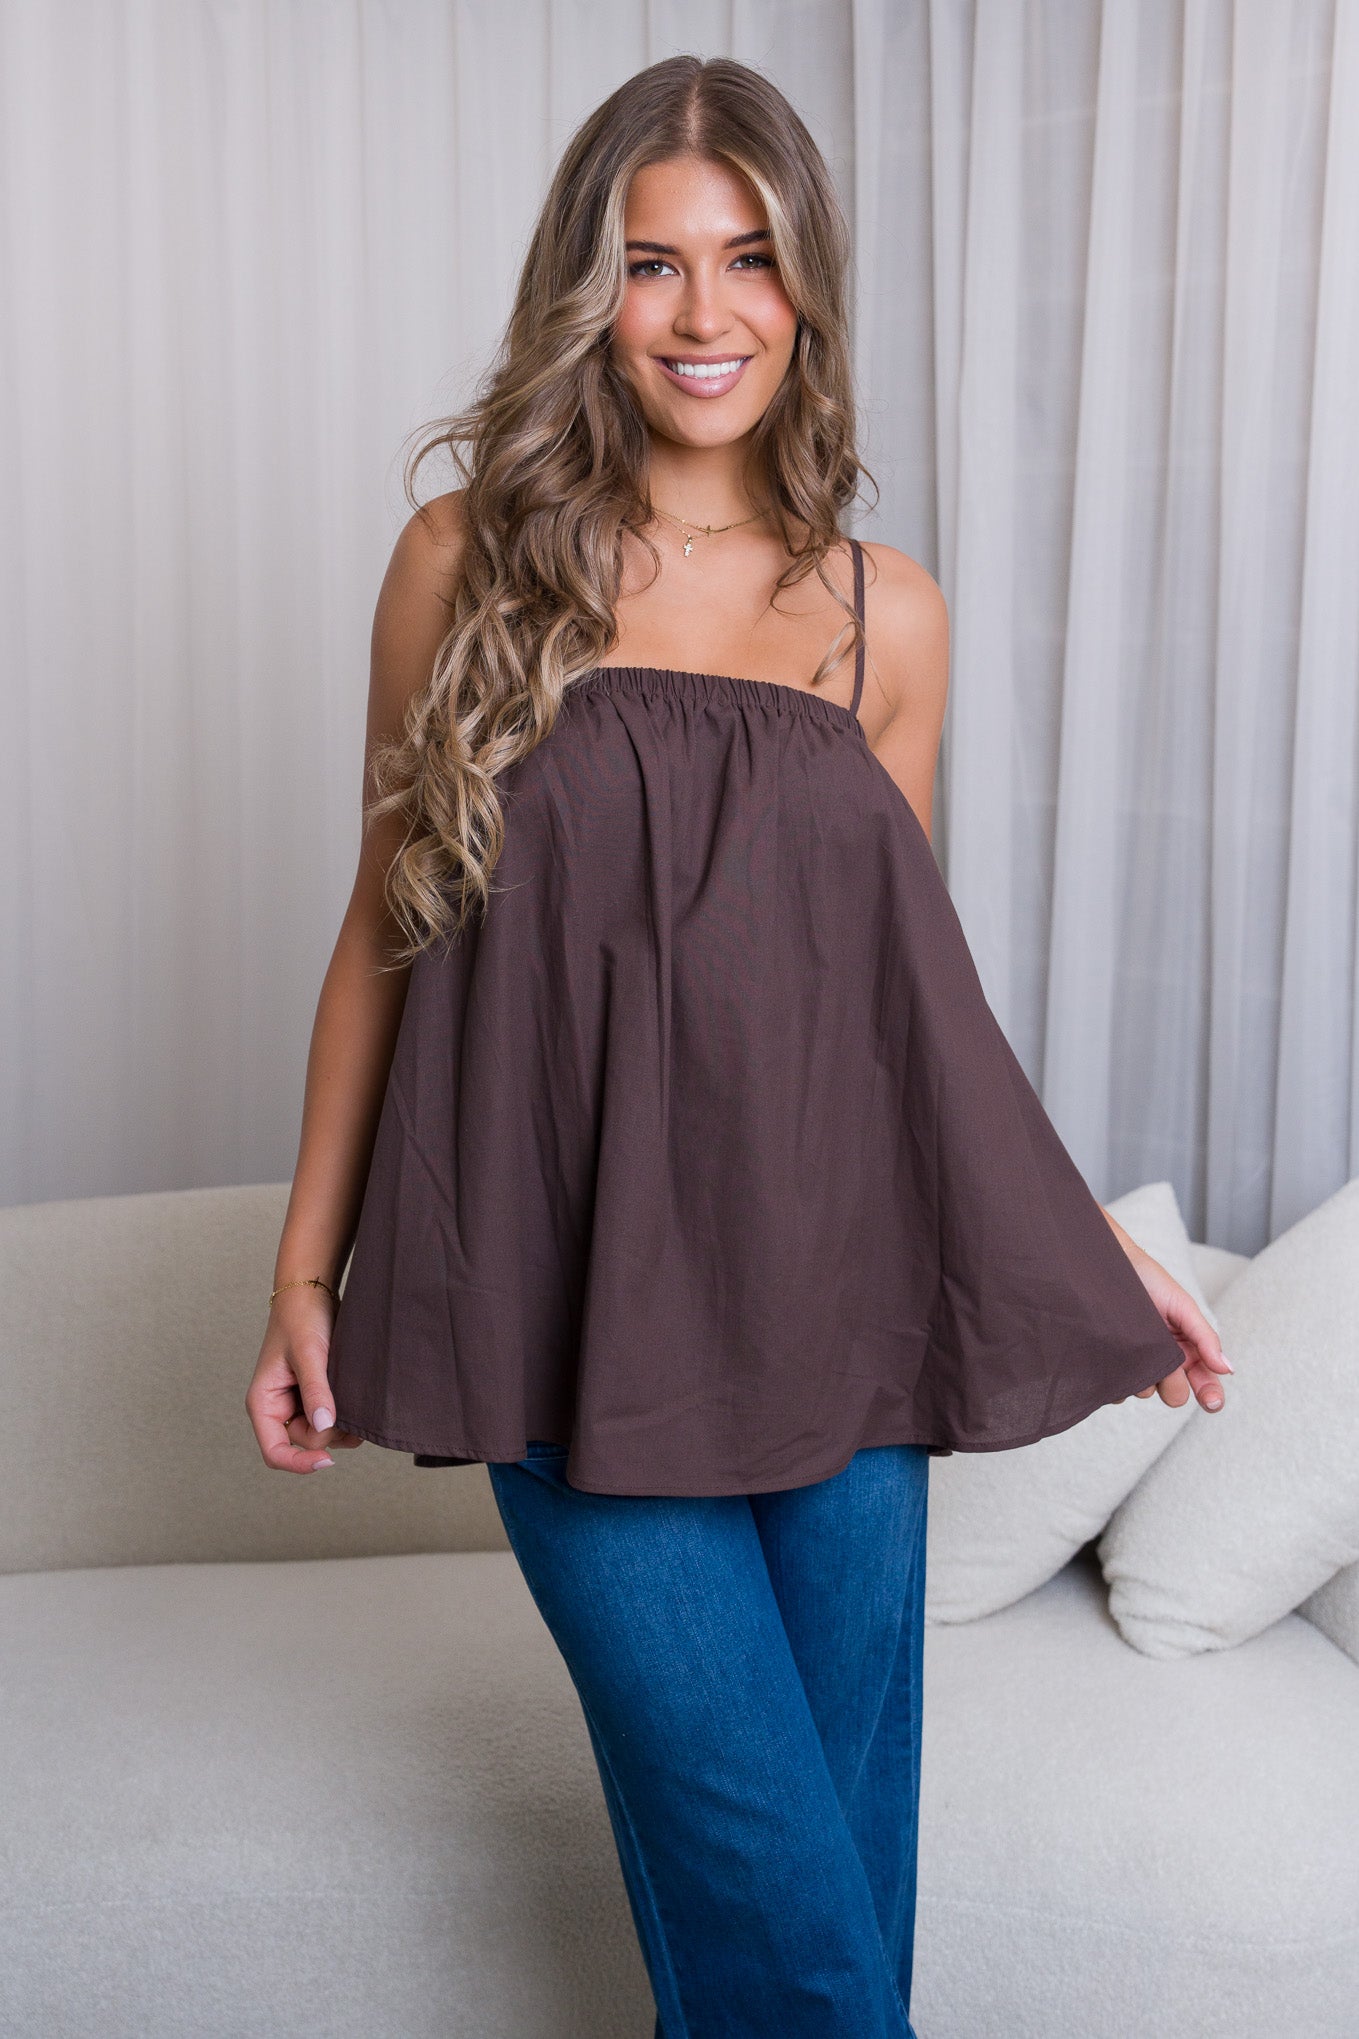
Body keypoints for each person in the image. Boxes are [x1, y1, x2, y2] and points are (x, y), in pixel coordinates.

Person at [246, 54, 1231, 2038]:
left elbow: (903, 1008)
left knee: (822, 1901)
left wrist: (1083, 1244)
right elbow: (383, 922)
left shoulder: (885, 616)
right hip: (563, 1310)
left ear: (808, 289)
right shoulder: (463, 564)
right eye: (651, 262)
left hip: (838, 1327)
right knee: (782, 1919)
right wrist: (302, 1271)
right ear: (588, 292)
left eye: (751, 258)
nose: (706, 312)